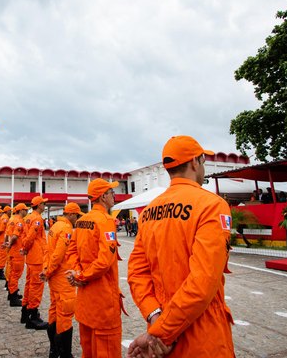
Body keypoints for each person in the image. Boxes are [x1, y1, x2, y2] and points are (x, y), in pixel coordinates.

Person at [127, 135, 235, 357]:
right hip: (203, 335)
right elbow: (203, 281)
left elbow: (137, 273)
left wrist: (155, 317)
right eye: (203, 161)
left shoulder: (148, 212)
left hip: (161, 340)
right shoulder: (211, 205)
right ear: (195, 162)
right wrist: (163, 332)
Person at [65, 178, 123, 358]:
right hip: (103, 304)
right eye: (111, 192)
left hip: (85, 304)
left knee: (88, 351)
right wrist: (81, 275)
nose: (114, 195)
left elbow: (71, 250)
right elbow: (105, 262)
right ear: (103, 196)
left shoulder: (82, 221)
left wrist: (76, 272)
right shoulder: (105, 220)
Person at [41, 202, 82, 358]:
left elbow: (47, 251)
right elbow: (58, 255)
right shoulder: (65, 229)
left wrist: (46, 270)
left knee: (54, 311)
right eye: (77, 216)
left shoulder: (54, 226)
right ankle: (65, 354)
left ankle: (54, 350)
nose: (77, 219)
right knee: (65, 315)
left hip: (54, 278)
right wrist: (49, 271)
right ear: (71, 214)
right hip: (63, 278)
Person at [20, 196, 49, 330]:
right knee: (36, 286)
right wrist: (25, 248)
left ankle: (25, 312)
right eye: (43, 204)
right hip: (36, 256)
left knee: (29, 284)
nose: (44, 206)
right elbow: (30, 236)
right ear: (38, 205)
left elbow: (24, 236)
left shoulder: (28, 218)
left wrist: (25, 249)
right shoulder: (37, 219)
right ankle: (33, 316)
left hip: (32, 256)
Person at [5, 203, 29, 307]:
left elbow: (7, 234)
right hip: (17, 252)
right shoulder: (19, 221)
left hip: (12, 251)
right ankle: (13, 297)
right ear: (21, 211)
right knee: (15, 274)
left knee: (12, 274)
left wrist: (7, 246)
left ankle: (11, 293)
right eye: (25, 210)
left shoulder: (11, 219)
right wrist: (10, 245)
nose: (27, 212)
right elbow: (15, 236)